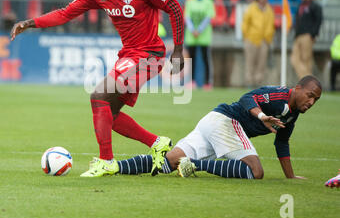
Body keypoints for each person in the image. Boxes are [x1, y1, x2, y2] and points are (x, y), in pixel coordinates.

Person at [10, 0, 185, 177]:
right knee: (107, 114)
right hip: (129, 56)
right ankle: (157, 143)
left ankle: (106, 161)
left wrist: (179, 48)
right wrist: (30, 23)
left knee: (98, 96)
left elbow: (174, 7)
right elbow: (66, 13)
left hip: (149, 55)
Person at [115, 75, 322, 180]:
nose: (311, 102)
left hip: (213, 122)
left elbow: (282, 142)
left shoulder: (292, 114)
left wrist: (291, 177)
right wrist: (260, 116)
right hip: (226, 122)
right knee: (255, 171)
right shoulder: (280, 96)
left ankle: (115, 167)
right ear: (297, 88)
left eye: (316, 100)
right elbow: (247, 97)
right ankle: (194, 165)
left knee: (167, 162)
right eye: (310, 95)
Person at [184, 0, 215, 90]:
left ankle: (207, 82)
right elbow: (187, 17)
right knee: (192, 59)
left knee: (205, 58)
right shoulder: (190, 2)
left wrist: (199, 30)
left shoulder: (208, 2)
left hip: (203, 35)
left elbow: (208, 17)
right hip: (192, 35)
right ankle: (192, 82)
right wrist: (193, 30)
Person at [241, 0, 275, 87]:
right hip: (251, 39)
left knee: (261, 64)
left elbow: (271, 25)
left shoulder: (269, 10)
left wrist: (268, 37)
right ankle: (249, 83)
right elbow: (245, 23)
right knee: (249, 63)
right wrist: (246, 36)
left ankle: (258, 83)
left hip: (264, 40)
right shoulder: (251, 8)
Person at [290, 0, 322, 80]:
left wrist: (313, 34)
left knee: (306, 59)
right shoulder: (300, 6)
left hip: (307, 36)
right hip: (298, 35)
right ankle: (306, 79)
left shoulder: (315, 6)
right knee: (294, 59)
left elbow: (318, 21)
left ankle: (307, 82)